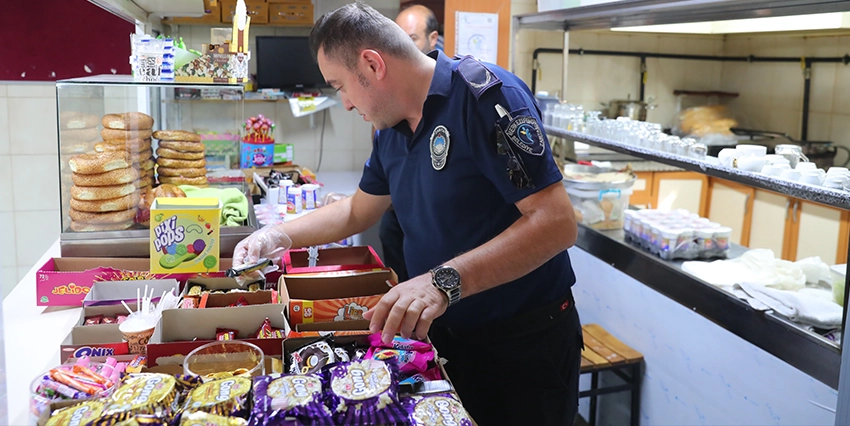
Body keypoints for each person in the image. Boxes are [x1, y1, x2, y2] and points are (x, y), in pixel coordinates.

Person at [233, 2, 581, 424]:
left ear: (372, 64)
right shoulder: (389, 128)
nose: (343, 103)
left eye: (340, 85)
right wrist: (277, 235)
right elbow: (357, 211)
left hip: (523, 345)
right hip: (444, 339)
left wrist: (442, 282)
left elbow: (557, 223)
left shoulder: (486, 98)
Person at [376, 4, 445, 284]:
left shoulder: (465, 98)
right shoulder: (389, 106)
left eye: (412, 38)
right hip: (400, 210)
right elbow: (358, 209)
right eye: (398, 39)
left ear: (432, 39)